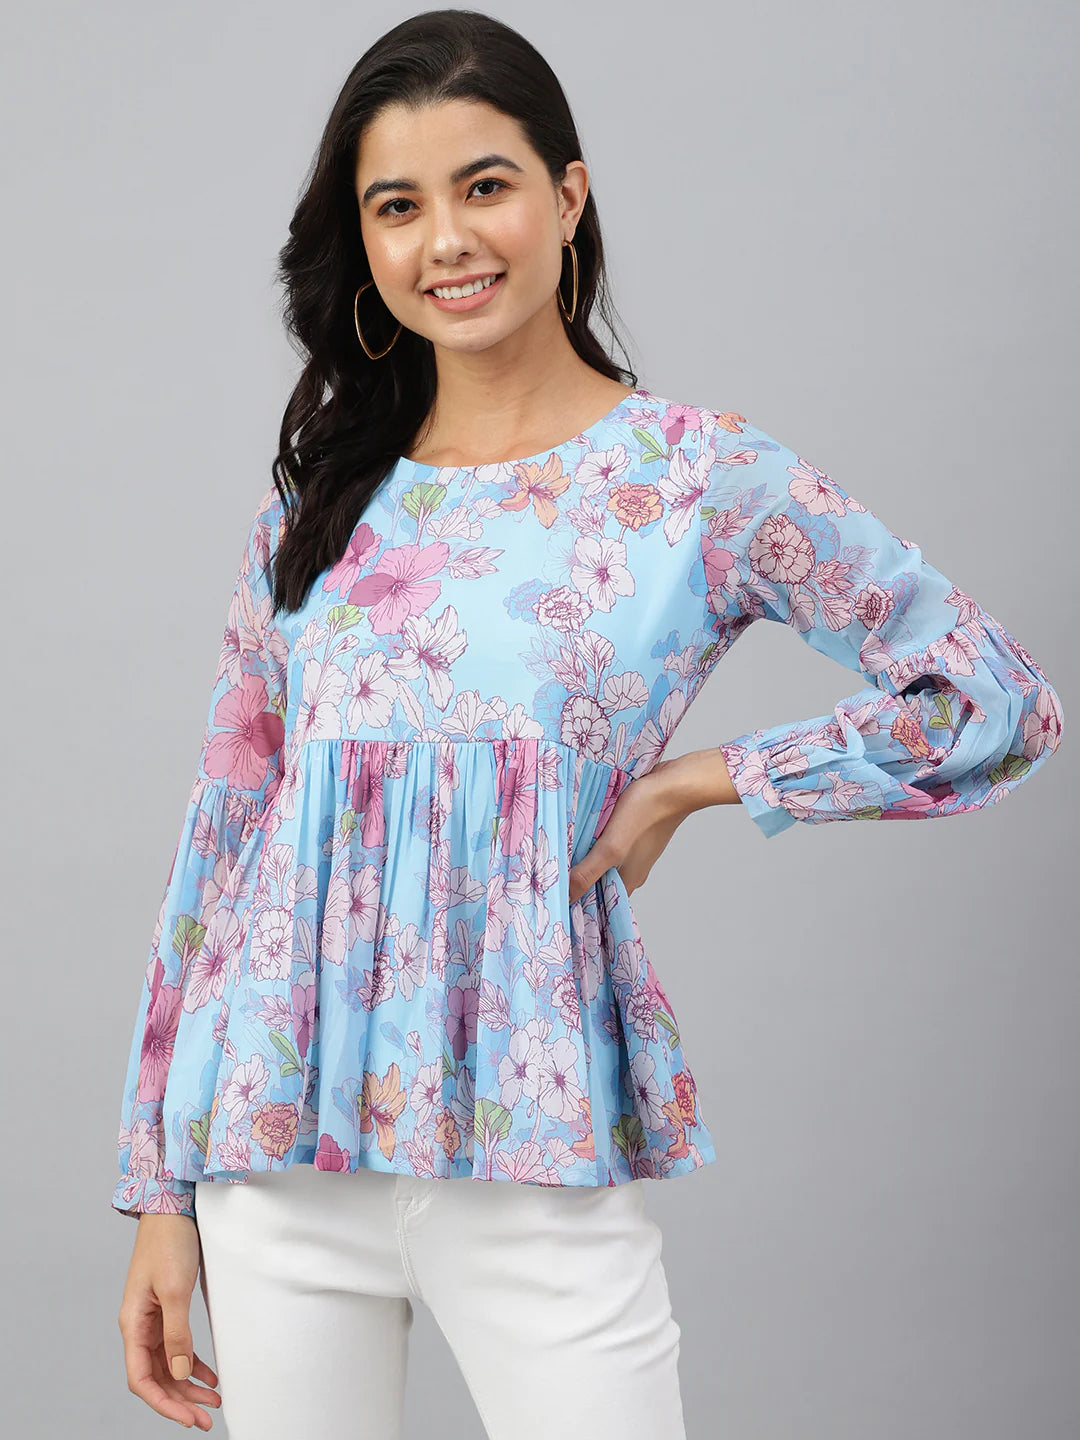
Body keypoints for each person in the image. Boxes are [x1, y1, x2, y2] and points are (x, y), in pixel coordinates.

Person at [113, 9, 1065, 1438]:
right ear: (362, 241)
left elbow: (994, 700)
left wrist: (700, 781)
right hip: (276, 1157)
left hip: (535, 1154)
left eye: (484, 185)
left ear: (568, 196)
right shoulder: (318, 503)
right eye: (398, 206)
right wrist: (158, 1187)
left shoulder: (697, 481)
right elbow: (228, 836)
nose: (447, 240)